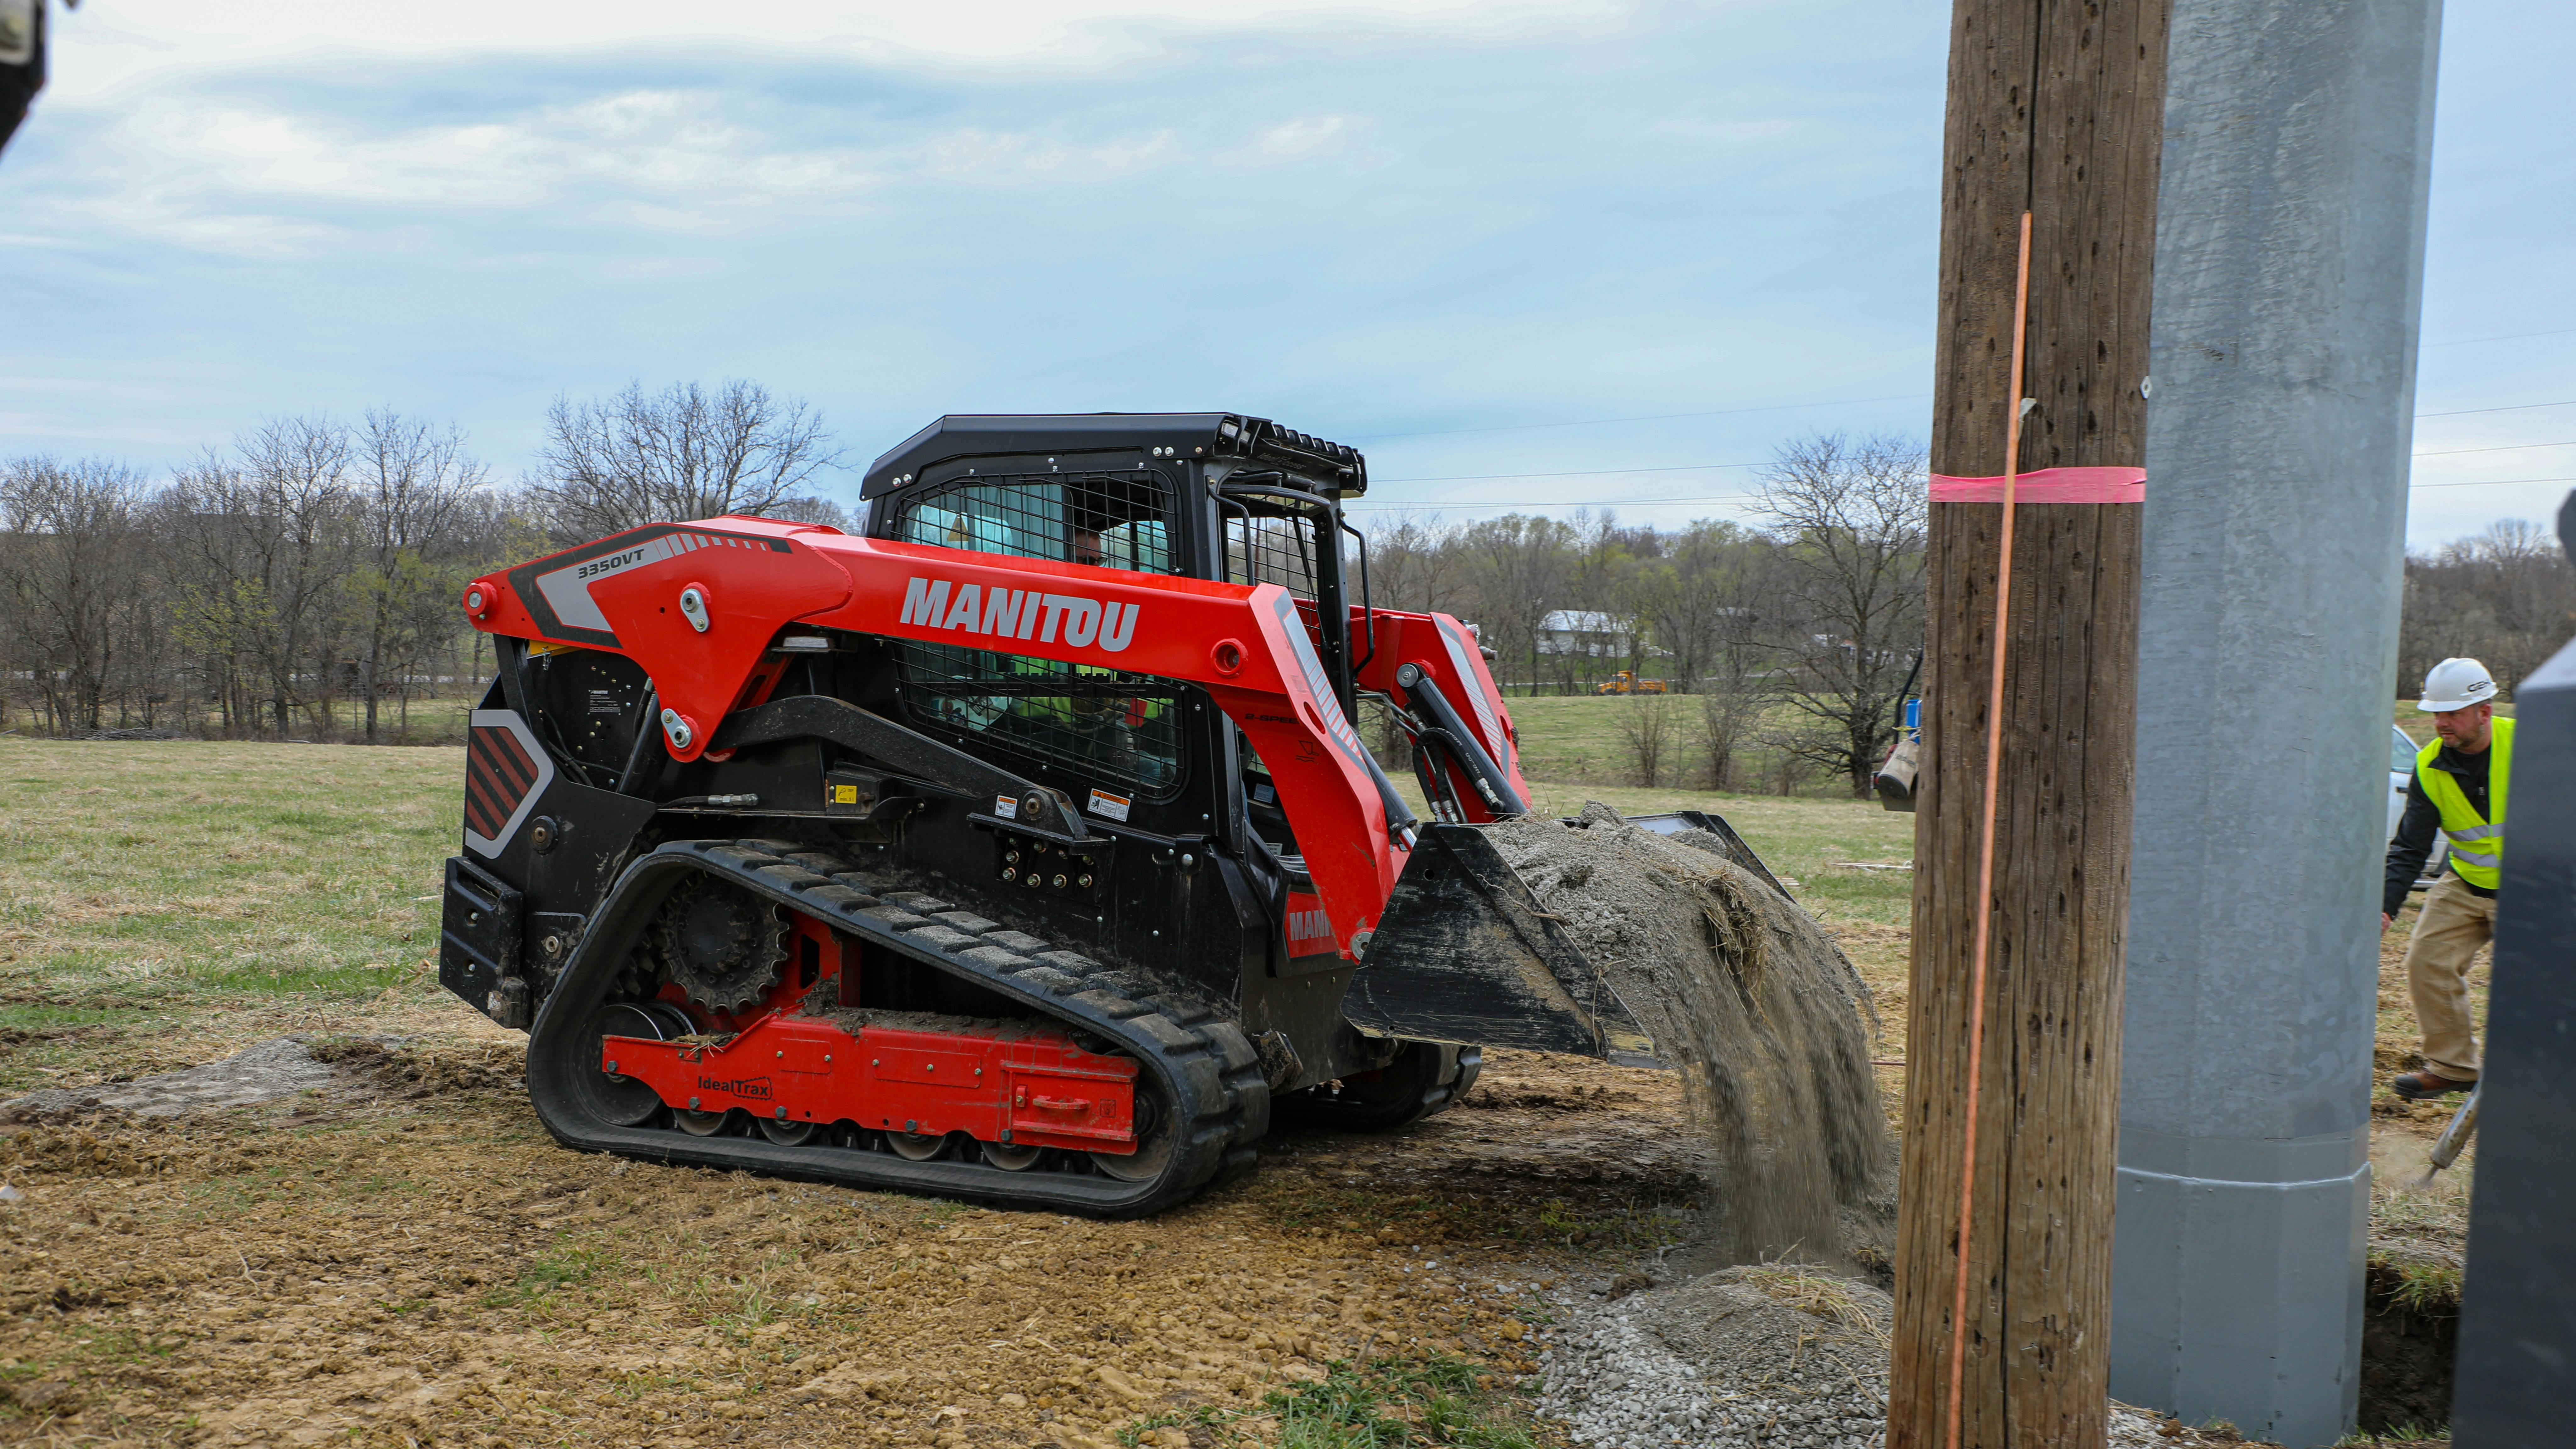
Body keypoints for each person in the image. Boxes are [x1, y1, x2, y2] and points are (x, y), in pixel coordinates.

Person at [2382, 657, 2514, 1101]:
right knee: (2427, 960)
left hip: (2536, 884)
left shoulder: (2537, 744)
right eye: (2436, 713)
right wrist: (2386, 905)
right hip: (2467, 883)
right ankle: (2455, 1066)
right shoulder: (2428, 766)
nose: (2442, 723)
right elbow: (2410, 846)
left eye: (2452, 713)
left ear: (2485, 711)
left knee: (2537, 983)